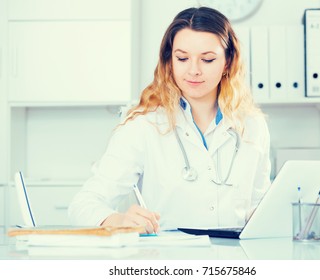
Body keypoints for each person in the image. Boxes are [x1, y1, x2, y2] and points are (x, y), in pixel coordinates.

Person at [68, 6, 271, 234]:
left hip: (234, 263)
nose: (193, 70)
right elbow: (83, 205)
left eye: (207, 59)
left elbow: (260, 207)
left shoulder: (253, 125)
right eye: (182, 58)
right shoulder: (144, 125)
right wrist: (117, 219)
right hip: (168, 262)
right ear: (169, 60)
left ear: (227, 62)